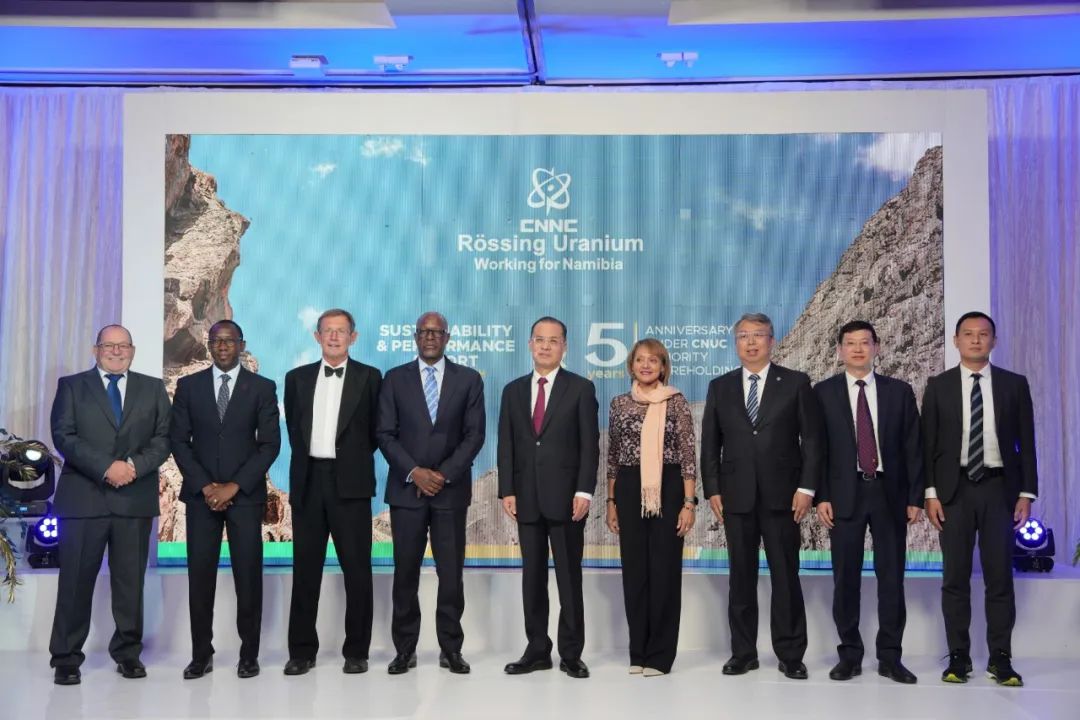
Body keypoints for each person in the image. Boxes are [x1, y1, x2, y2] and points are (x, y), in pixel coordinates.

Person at [700, 312, 823, 680]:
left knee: (786, 576)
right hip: (735, 497)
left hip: (784, 497)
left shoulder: (796, 382)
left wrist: (806, 488)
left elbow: (812, 440)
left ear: (772, 341)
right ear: (735, 343)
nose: (750, 342)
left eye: (758, 335)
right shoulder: (720, 387)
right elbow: (710, 445)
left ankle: (791, 654)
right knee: (741, 577)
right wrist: (713, 489)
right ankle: (743, 653)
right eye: (743, 336)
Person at [48, 324, 171, 686]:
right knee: (75, 583)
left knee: (130, 583)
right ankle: (66, 658)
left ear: (132, 351)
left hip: (134, 498)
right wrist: (106, 467)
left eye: (123, 346)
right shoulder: (72, 386)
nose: (116, 351)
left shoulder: (153, 388)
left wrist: (132, 467)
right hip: (84, 499)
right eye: (108, 345)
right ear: (95, 350)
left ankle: (128, 654)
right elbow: (63, 436)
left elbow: (164, 438)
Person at [922, 311, 1037, 687]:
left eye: (983, 334)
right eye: (968, 334)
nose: (975, 340)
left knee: (999, 577)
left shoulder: (1014, 384)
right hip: (953, 492)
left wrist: (1026, 493)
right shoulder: (937, 386)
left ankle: (1000, 658)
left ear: (994, 341)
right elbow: (927, 445)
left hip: (998, 489)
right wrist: (930, 493)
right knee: (954, 577)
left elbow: (1027, 442)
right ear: (956, 341)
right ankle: (959, 657)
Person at [169, 320, 281, 680]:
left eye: (229, 340)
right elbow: (178, 441)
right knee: (200, 578)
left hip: (244, 498)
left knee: (248, 577)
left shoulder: (262, 388)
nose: (222, 346)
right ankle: (201, 654)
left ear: (241, 345)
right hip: (201, 498)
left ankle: (249, 655)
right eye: (216, 340)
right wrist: (206, 487)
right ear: (208, 344)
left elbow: (269, 445)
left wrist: (233, 486)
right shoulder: (188, 387)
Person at [376, 311, 485, 675]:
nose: (430, 337)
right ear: (415, 336)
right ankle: (404, 650)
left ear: (447, 338)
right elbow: (385, 434)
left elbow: (474, 435)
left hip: (450, 493)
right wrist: (415, 473)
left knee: (450, 575)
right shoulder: (394, 379)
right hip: (406, 492)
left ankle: (451, 649)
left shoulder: (469, 379)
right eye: (424, 332)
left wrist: (443, 475)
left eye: (437, 332)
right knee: (405, 574)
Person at [813, 321, 923, 684]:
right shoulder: (823, 392)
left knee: (891, 577)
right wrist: (822, 495)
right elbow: (816, 450)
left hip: (889, 494)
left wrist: (915, 497)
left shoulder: (899, 391)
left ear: (877, 347)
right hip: (844, 495)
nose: (858, 349)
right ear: (840, 350)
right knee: (846, 578)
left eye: (865, 342)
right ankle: (849, 655)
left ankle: (890, 657)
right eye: (851, 343)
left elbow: (913, 447)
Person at [498, 316, 599, 679]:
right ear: (530, 344)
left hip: (568, 500)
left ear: (564, 347)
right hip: (525, 498)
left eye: (553, 341)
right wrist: (507, 490)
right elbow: (506, 444)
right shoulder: (512, 391)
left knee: (569, 578)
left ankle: (571, 654)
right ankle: (537, 650)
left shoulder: (580, 388)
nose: (545, 346)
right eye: (539, 339)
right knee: (532, 578)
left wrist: (584, 490)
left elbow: (590, 446)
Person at [283, 309, 382, 676]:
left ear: (353, 337)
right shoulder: (296, 379)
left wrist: (351, 461)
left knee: (357, 570)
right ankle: (301, 652)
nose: (335, 337)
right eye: (328, 331)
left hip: (351, 484)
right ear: (317, 336)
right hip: (309, 482)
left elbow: (375, 432)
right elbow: (295, 430)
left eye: (341, 331)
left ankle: (357, 651)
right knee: (305, 571)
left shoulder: (370, 377)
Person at [605, 338, 697, 677]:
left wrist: (688, 503)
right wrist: (611, 501)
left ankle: (659, 656)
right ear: (631, 365)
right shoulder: (618, 404)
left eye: (653, 360)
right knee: (635, 573)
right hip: (629, 489)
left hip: (668, 488)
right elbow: (613, 457)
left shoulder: (676, 401)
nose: (646, 365)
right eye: (640, 360)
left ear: (663, 367)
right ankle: (638, 653)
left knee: (664, 571)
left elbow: (688, 455)